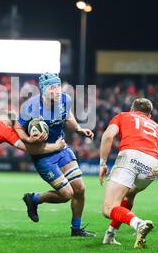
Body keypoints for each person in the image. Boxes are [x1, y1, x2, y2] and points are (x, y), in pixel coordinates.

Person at [14, 72, 96, 237]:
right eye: (52, 87)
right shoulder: (30, 107)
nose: (56, 90)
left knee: (79, 189)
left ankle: (76, 228)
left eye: (58, 86)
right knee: (67, 194)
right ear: (43, 90)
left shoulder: (65, 99)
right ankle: (34, 199)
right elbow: (17, 127)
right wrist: (29, 138)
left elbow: (68, 115)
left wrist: (79, 129)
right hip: (43, 154)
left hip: (61, 149)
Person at [99, 98, 158, 248]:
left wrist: (103, 162)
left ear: (132, 109)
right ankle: (110, 235)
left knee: (108, 209)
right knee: (129, 195)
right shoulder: (157, 128)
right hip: (151, 166)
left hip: (130, 157)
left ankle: (138, 223)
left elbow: (108, 136)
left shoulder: (123, 116)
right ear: (150, 115)